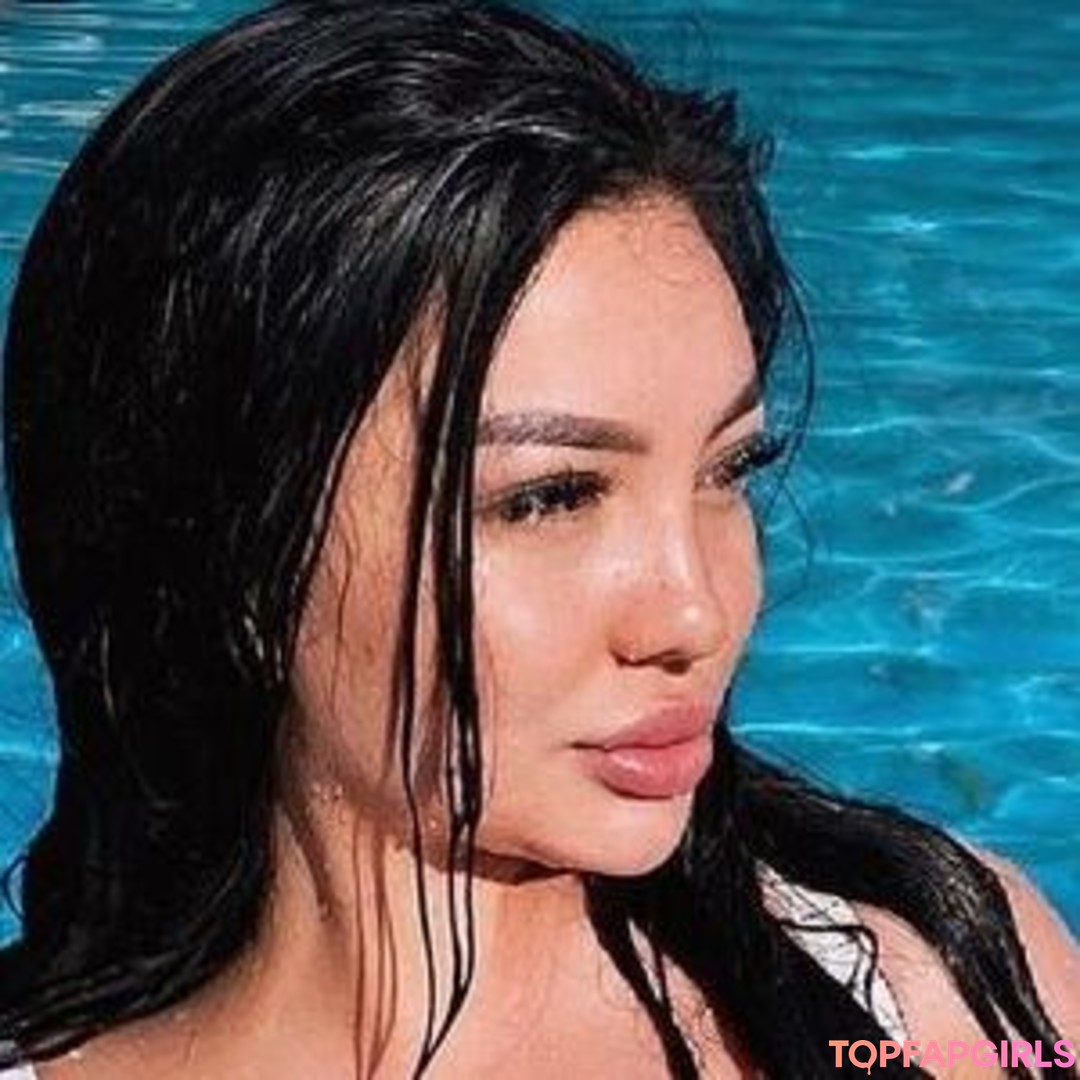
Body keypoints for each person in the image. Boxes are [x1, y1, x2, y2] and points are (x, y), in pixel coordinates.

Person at [0, 1, 1076, 1077]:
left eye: (728, 469)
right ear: (234, 558)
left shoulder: (946, 987)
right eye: (552, 498)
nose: (696, 612)